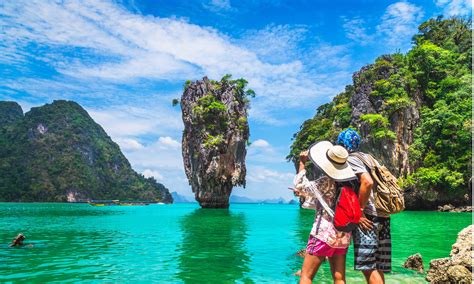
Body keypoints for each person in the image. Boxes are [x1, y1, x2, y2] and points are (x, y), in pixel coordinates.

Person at [293, 141, 357, 284]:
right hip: (343, 233)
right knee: (339, 278)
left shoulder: (325, 182)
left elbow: (299, 185)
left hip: (323, 234)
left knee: (306, 276)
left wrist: (302, 163)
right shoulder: (351, 183)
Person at [337, 128, 391, 284]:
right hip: (382, 215)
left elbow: (367, 182)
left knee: (367, 267)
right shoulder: (368, 158)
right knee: (377, 265)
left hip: (368, 217)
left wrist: (358, 213)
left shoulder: (352, 159)